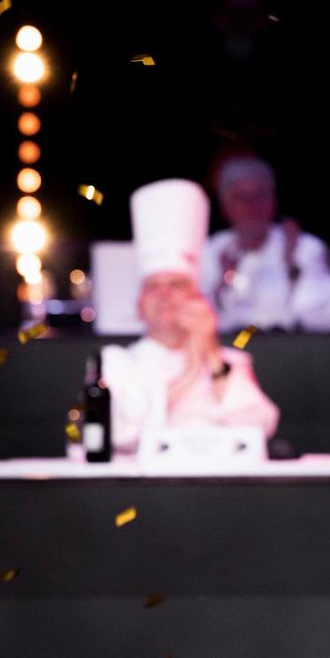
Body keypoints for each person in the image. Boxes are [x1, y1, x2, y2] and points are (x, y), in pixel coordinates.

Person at [103, 179, 279, 454]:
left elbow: (259, 425)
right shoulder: (118, 363)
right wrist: (191, 374)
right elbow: (118, 431)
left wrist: (209, 353)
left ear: (197, 300)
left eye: (176, 285)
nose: (164, 295)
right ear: (139, 306)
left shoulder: (230, 362)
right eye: (153, 286)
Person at [202, 152, 330, 333]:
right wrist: (223, 283)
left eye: (260, 195)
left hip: (291, 353)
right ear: (226, 206)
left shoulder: (305, 247)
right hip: (234, 349)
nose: (252, 206)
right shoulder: (211, 251)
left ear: (273, 200)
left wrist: (291, 266)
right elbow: (199, 323)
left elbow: (329, 320)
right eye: (242, 197)